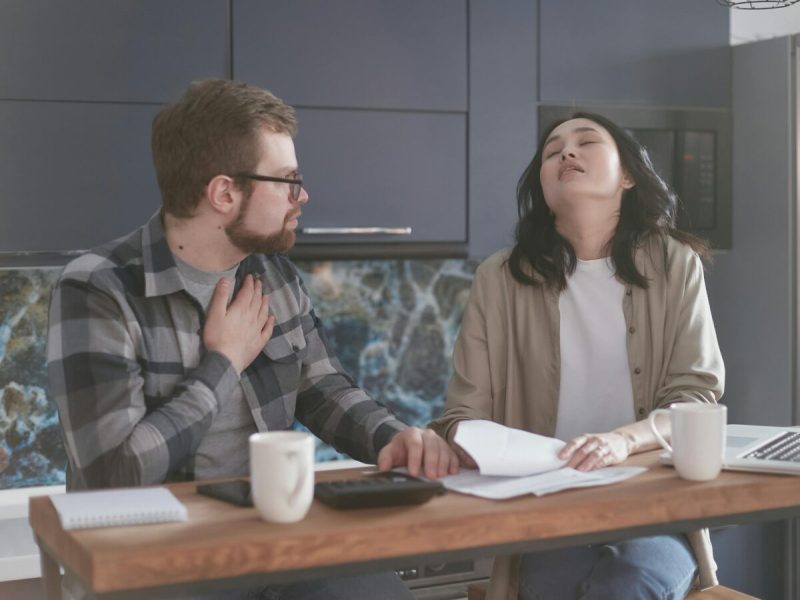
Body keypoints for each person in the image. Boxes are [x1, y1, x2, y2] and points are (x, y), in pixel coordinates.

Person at [47, 79, 458, 600]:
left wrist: (392, 438)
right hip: (154, 560)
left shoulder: (272, 274)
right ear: (224, 193)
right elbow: (115, 474)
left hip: (269, 542)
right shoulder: (98, 288)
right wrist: (223, 363)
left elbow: (323, 387)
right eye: (287, 180)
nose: (302, 196)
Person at [429, 112, 724, 600]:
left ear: (627, 176)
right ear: (544, 189)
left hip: (652, 505)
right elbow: (464, 414)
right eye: (552, 151)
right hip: (547, 508)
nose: (567, 152)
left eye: (587, 142)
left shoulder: (675, 263)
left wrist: (621, 442)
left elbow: (696, 395)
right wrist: (456, 438)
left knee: (629, 581)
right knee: (556, 585)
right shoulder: (498, 278)